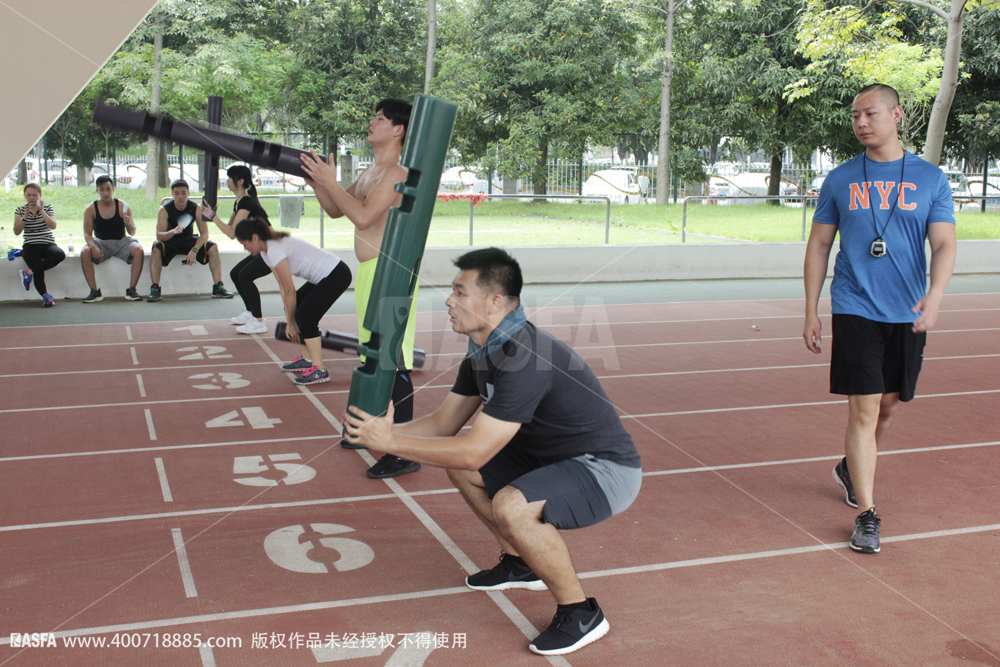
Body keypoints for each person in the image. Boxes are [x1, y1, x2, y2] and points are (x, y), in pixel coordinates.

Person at [344, 247, 642, 656]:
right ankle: (520, 562)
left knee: (512, 505)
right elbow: (443, 424)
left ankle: (581, 612)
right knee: (464, 471)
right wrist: (379, 431)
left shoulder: (525, 357)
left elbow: (473, 450)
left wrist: (390, 443)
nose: (449, 301)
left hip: (605, 471)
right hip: (549, 460)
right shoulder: (484, 350)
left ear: (495, 301)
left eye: (459, 292)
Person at [803, 83, 957, 554]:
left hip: (907, 309)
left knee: (890, 404)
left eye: (869, 113)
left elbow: (945, 244)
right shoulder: (840, 179)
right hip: (855, 305)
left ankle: (851, 466)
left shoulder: (931, 180)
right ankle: (867, 514)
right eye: (855, 116)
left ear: (897, 114)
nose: (861, 122)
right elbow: (820, 246)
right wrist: (811, 308)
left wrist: (935, 296)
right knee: (864, 408)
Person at [300, 98, 422, 480]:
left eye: (380, 119)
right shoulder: (373, 169)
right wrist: (321, 184)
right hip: (370, 272)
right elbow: (338, 209)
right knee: (375, 356)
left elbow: (364, 215)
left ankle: (402, 450)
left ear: (398, 129)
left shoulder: (398, 171)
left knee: (392, 360)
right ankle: (364, 429)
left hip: (391, 273)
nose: (372, 122)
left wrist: (332, 183)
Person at [235, 216, 352, 385]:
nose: (245, 248)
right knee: (298, 310)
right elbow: (283, 287)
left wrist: (290, 322)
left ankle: (319, 370)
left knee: (305, 316)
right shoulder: (266, 252)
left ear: (254, 237)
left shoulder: (274, 249)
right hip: (324, 276)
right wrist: (289, 317)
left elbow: (289, 290)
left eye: (244, 243)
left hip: (336, 274)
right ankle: (308, 359)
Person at [202, 165, 271, 334]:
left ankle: (259, 321)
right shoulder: (239, 202)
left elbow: (233, 233)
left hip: (272, 248)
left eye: (230, 178)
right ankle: (250, 313)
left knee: (245, 276)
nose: (227, 182)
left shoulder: (247, 201)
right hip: (262, 249)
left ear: (239, 181)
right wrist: (214, 216)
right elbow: (231, 227)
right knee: (236, 274)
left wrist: (213, 217)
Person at [147, 179, 234, 302]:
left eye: (183, 193)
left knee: (213, 247)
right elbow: (159, 236)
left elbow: (204, 234)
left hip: (189, 240)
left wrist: (194, 249)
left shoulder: (196, 208)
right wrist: (173, 231)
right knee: (156, 248)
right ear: (172, 195)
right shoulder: (164, 209)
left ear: (188, 193)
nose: (180, 197)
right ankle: (155, 289)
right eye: (176, 193)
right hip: (170, 240)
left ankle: (218, 287)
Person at [80, 175, 144, 303]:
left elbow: (132, 232)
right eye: (102, 189)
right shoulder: (91, 209)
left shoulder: (122, 206)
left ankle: (132, 290)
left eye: (108, 189)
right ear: (97, 191)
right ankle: (94, 292)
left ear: (113, 189)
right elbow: (87, 233)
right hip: (101, 242)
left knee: (139, 250)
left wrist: (128, 223)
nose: (105, 193)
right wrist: (92, 247)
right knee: (84, 252)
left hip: (121, 241)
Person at [13, 183, 64, 307]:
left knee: (60, 254)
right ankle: (46, 297)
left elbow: (53, 225)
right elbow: (16, 231)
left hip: (47, 243)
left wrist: (41, 211)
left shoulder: (47, 208)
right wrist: (24, 217)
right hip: (30, 246)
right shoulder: (20, 210)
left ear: (40, 196)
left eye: (35, 195)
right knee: (39, 271)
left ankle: (28, 273)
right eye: (28, 195)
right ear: (24, 196)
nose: (31, 197)